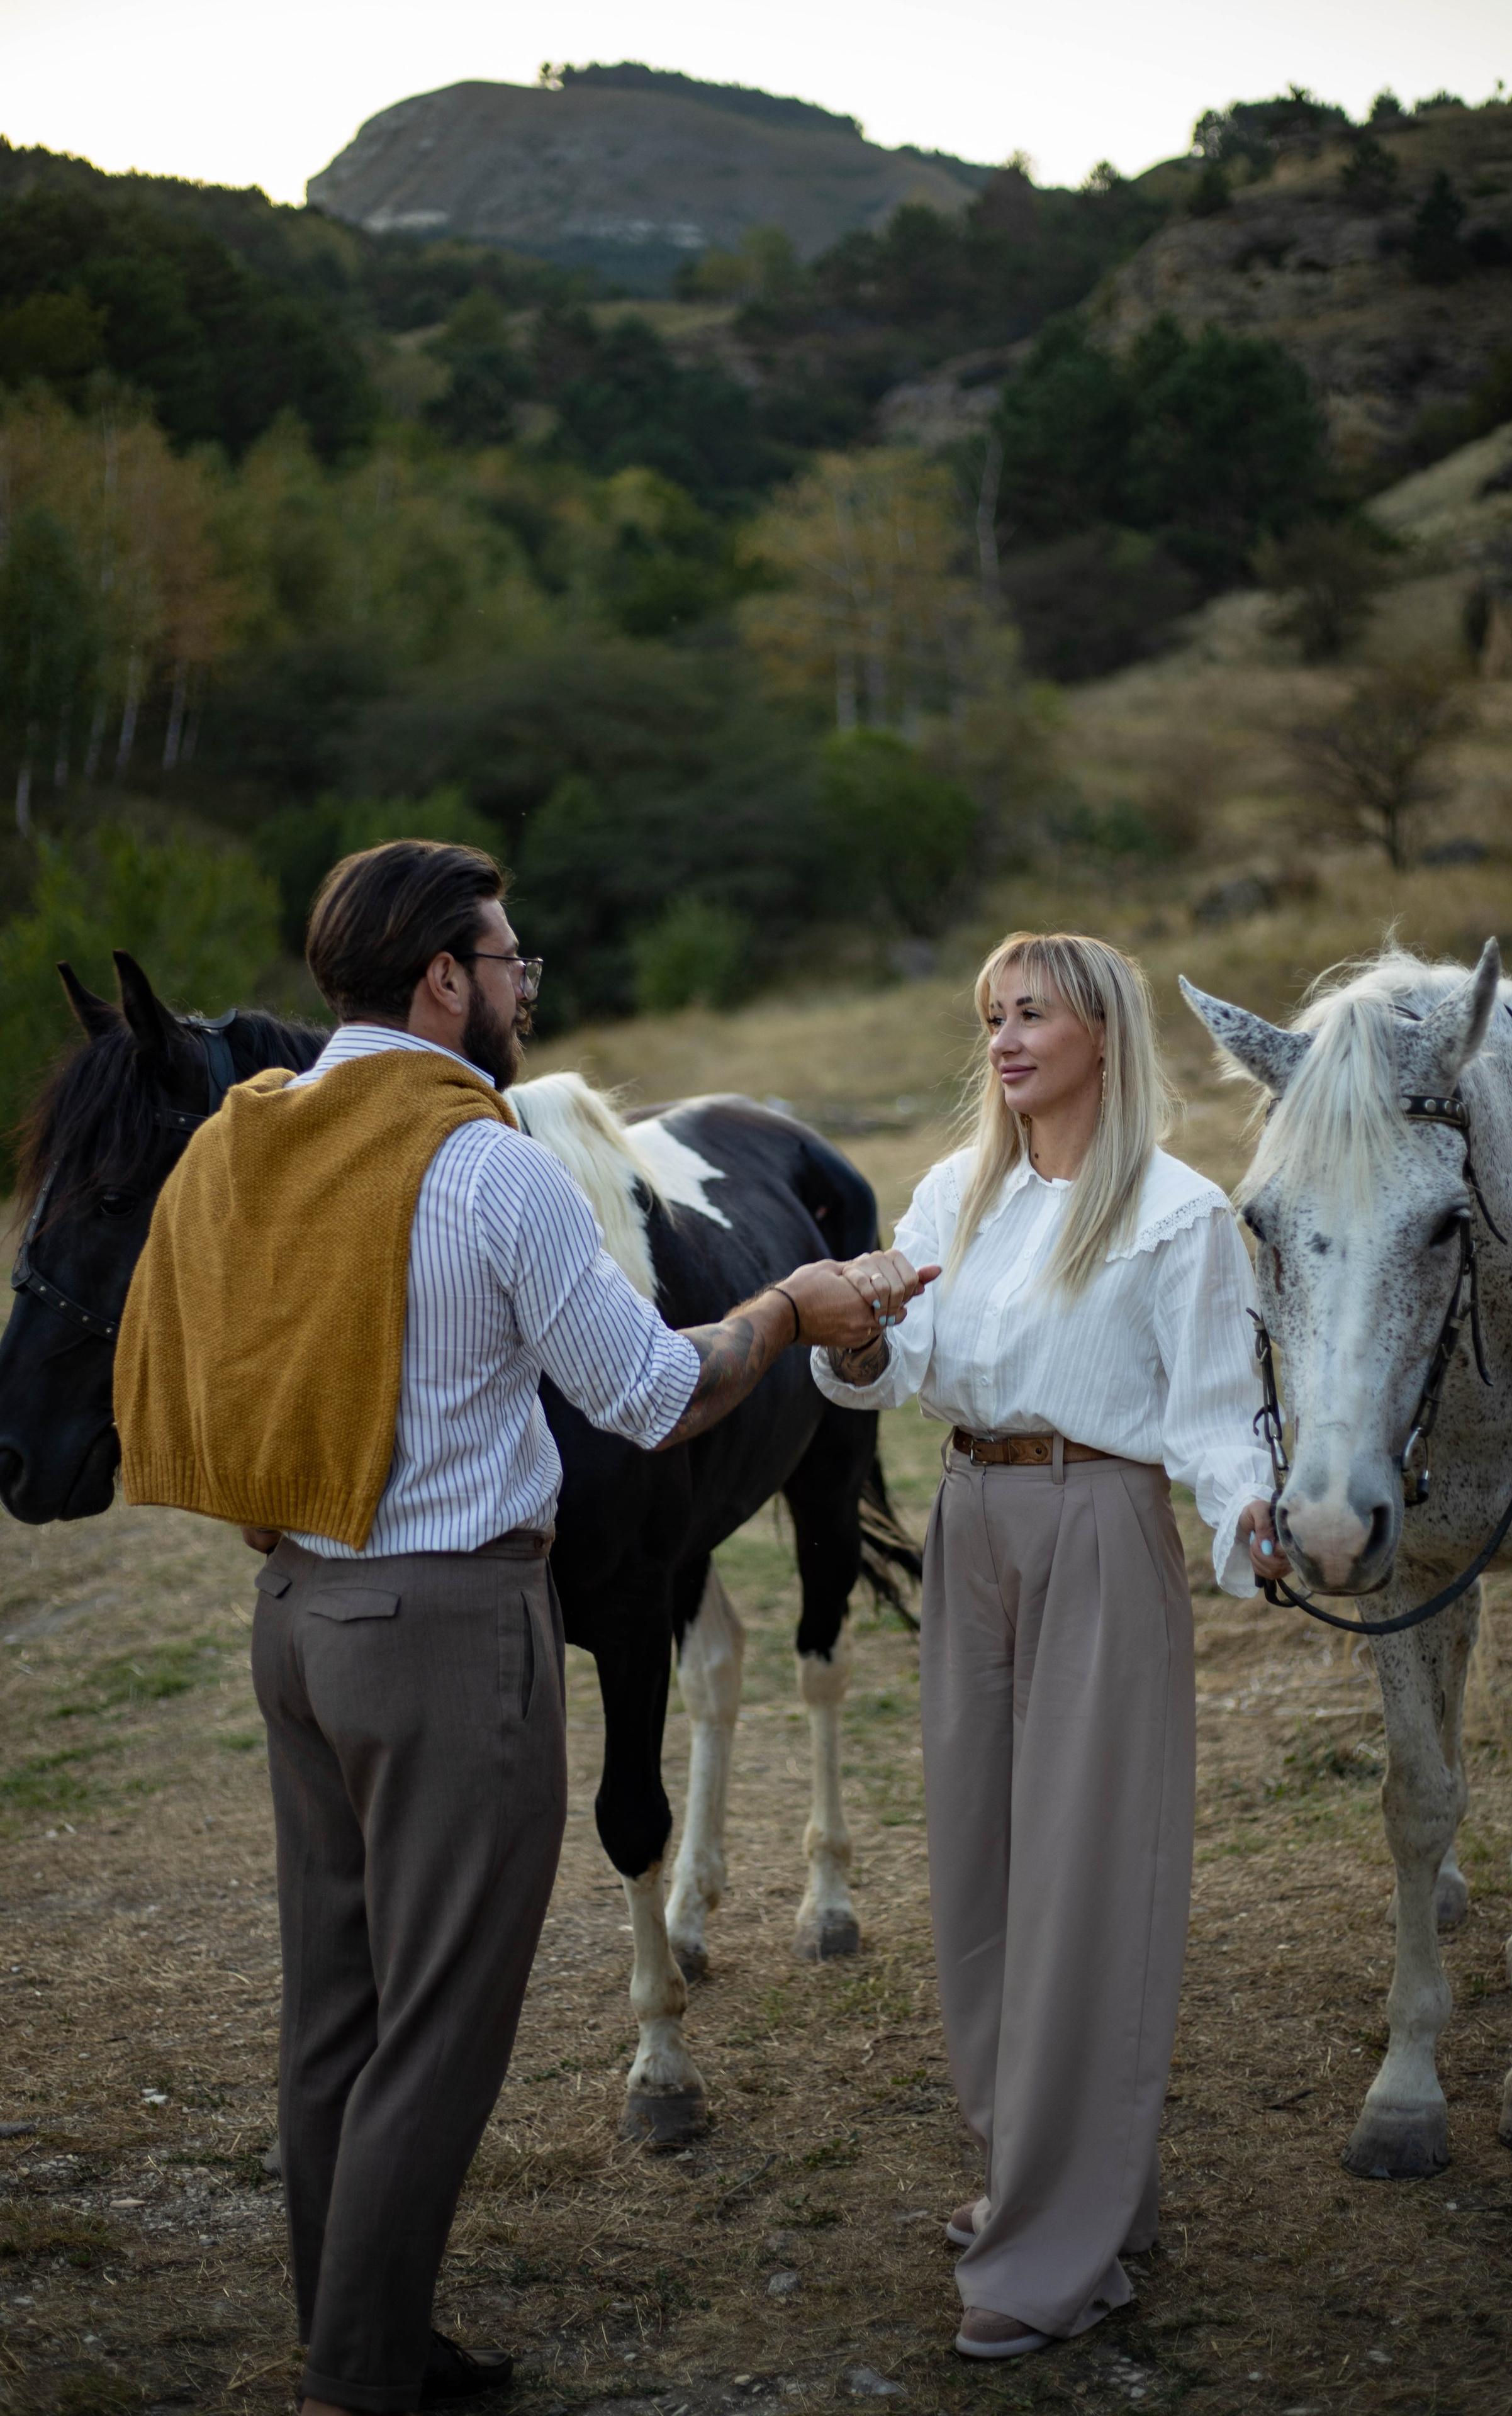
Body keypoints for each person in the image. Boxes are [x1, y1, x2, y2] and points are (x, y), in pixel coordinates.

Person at [112, 841, 934, 2416]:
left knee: (331, 2007)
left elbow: (171, 1358)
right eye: (510, 965)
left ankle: (352, 2321)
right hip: (448, 1629)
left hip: (294, 1616)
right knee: (438, 2016)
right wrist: (787, 1307)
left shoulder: (240, 1143)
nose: (523, 994)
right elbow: (651, 1393)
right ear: (444, 982)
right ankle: (363, 2369)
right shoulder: (486, 1162)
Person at [811, 931, 1287, 2360]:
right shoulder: (960, 1192)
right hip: (971, 1519)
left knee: (1091, 1888)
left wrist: (1250, 1511)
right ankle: (1048, 2177)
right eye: (993, 1016)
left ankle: (1050, 2253)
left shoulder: (1177, 1213)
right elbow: (894, 1371)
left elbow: (1213, 1411)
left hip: (1096, 1527)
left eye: (1034, 1014)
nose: (1005, 1039)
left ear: (1101, 1035)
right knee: (983, 1875)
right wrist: (846, 1336)